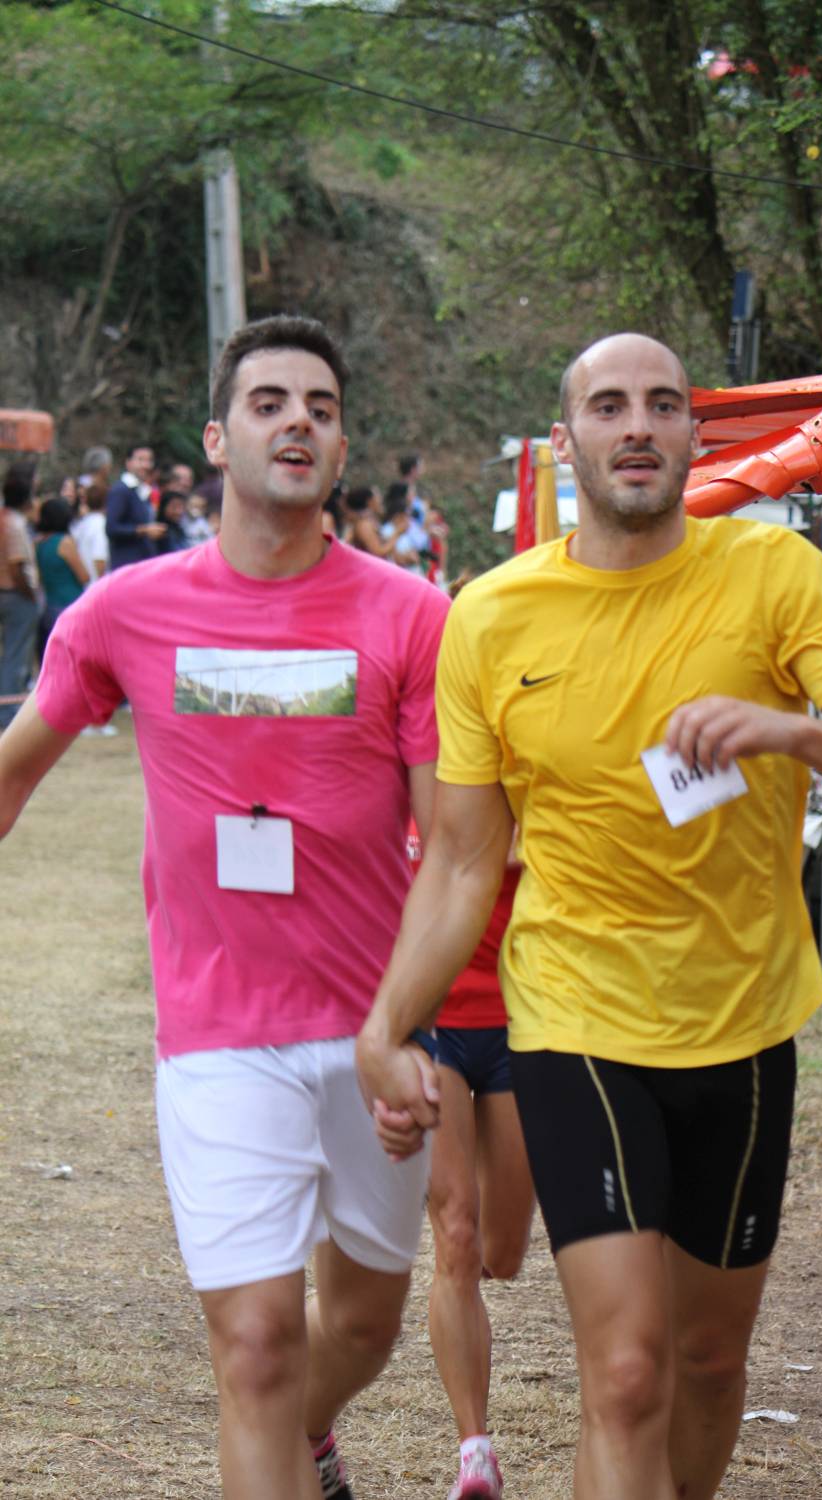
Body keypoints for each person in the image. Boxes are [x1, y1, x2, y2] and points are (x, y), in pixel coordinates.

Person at [355, 332, 822, 1500]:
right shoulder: (491, 616)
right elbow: (463, 863)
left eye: (663, 404)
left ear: (692, 434)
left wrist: (792, 730)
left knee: (706, 1362)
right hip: (574, 1019)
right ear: (565, 440)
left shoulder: (776, 578)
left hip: (741, 1023)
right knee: (627, 1374)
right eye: (608, 405)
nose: (636, 424)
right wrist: (387, 1029)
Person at [0, 314, 450, 1500]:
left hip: (374, 1027)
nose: (297, 420)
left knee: (362, 1326)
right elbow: (13, 774)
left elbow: (452, 845)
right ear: (216, 439)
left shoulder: (411, 615)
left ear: (340, 447)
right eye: (268, 402)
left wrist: (408, 1025)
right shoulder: (123, 612)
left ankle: (314, 1435)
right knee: (254, 1348)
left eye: (320, 408)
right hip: (217, 1034)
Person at [426, 851, 534, 1500]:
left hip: (522, 1021)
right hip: (432, 1022)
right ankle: (475, 1453)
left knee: (502, 1252)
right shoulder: (414, 797)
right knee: (457, 1238)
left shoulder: (531, 793)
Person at [0, 462, 41, 729]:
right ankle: (7, 711)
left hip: (7, 592)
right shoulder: (13, 524)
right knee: (16, 653)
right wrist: (29, 593)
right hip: (16, 594)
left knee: (11, 651)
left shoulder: (5, 519)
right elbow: (16, 564)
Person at [33, 497, 89, 662]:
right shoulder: (65, 543)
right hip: (70, 603)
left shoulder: (38, 543)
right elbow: (84, 576)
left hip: (50, 604)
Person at [105, 442, 166, 568]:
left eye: (149, 460)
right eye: (140, 460)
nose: (146, 465)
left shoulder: (142, 491)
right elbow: (111, 528)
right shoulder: (121, 490)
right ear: (128, 463)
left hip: (143, 563)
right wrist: (144, 530)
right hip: (127, 565)